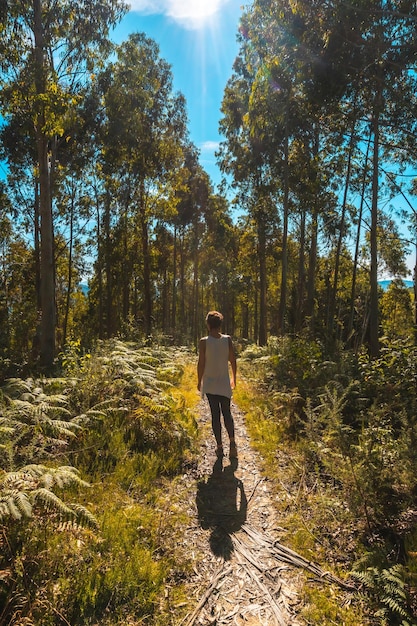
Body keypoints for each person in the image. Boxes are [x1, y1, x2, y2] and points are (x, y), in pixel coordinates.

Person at [197, 310, 237, 459]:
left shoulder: (204, 341)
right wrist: (234, 378)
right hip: (224, 383)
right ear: (220, 324)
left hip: (210, 384)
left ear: (208, 324)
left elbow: (201, 363)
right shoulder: (227, 339)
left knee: (215, 415)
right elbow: (233, 360)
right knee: (227, 413)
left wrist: (199, 380)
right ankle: (232, 443)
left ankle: (220, 447)